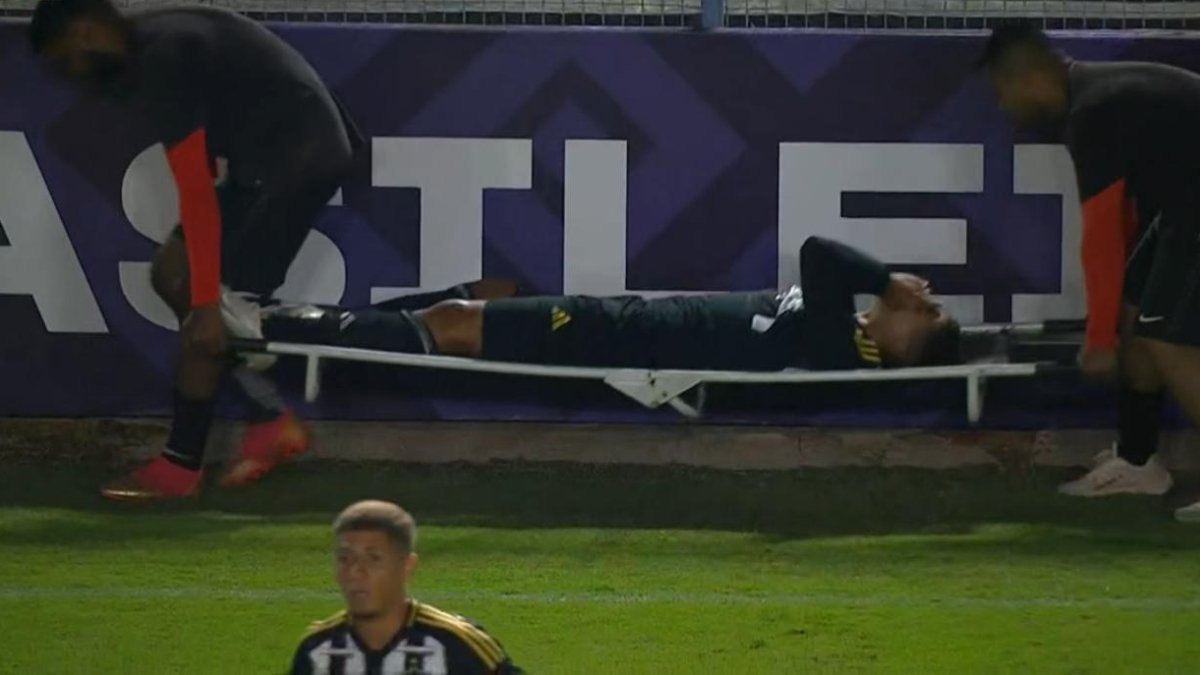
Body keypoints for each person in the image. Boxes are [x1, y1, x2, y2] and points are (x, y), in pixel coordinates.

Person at [29, 0, 365, 500]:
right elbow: (206, 165)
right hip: (272, 159)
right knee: (171, 274)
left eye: (65, 59)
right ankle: (269, 418)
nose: (70, 75)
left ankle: (181, 467)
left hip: (292, 166)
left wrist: (207, 302)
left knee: (215, 307)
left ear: (86, 31)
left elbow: (196, 191)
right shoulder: (156, 41)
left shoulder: (160, 58)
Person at [978, 24, 1200, 518]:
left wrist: (1098, 339)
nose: (1004, 106)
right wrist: (1111, 319)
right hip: (1184, 207)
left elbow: (1101, 235)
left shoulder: (1092, 112)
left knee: (1166, 338)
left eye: (1002, 91)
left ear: (1030, 76)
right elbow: (1122, 220)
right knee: (1138, 315)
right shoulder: (1098, 99)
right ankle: (1140, 462)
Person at [261, 236, 963, 373]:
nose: (921, 292)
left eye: (926, 309)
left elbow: (820, 251)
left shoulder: (844, 346)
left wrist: (885, 279)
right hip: (630, 318)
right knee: (484, 295)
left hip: (627, 341)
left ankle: (280, 328)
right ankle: (313, 323)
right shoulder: (841, 329)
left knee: (455, 325)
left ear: (905, 345)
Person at [292, 500, 522, 674]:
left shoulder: (457, 643)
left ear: (406, 565)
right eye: (344, 559)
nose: (355, 572)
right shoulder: (317, 649)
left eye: (373, 559)